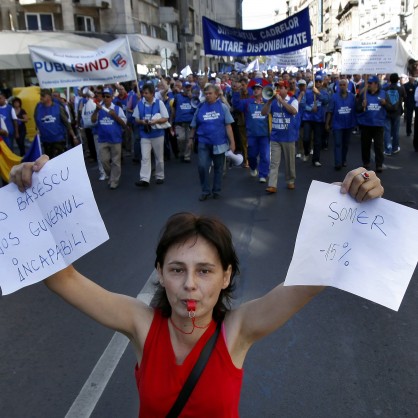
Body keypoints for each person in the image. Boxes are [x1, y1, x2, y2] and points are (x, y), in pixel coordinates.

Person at [9, 156, 383, 417]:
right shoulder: (140, 324)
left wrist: (351, 194)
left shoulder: (238, 330)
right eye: (176, 269)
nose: (189, 285)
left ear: (226, 276)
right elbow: (62, 277)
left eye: (204, 271)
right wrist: (33, 195)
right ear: (158, 271)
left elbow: (311, 280)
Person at [189, 83, 236, 201]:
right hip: (203, 142)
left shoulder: (223, 107)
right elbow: (194, 124)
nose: (208, 96)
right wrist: (190, 139)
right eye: (206, 94)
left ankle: (216, 190)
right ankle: (205, 191)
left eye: (210, 93)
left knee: (219, 168)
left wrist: (232, 142)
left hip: (219, 143)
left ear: (216, 95)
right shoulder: (200, 107)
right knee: (202, 166)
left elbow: (228, 126)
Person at [261, 80, 298, 193]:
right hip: (275, 136)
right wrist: (269, 102)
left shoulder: (293, 100)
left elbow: (294, 111)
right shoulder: (273, 102)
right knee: (274, 162)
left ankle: (290, 180)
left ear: (286, 90)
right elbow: (263, 113)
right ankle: (272, 184)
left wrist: (282, 101)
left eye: (281, 87)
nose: (278, 89)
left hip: (288, 137)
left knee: (289, 161)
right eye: (277, 87)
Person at [232, 83, 270, 183]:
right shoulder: (248, 102)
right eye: (254, 89)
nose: (256, 90)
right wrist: (236, 92)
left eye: (258, 88)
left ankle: (263, 174)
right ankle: (253, 167)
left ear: (262, 91)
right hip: (252, 135)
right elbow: (236, 104)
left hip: (264, 135)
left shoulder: (267, 102)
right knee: (251, 156)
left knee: (265, 156)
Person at [133, 83, 169, 187]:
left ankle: (160, 176)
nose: (144, 95)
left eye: (146, 93)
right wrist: (142, 122)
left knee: (159, 157)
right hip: (145, 134)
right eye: (143, 93)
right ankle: (144, 178)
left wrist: (155, 121)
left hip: (157, 134)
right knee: (145, 157)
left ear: (152, 93)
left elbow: (165, 118)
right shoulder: (140, 104)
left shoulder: (159, 103)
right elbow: (136, 119)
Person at [91, 86, 127, 190]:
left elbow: (124, 124)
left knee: (116, 161)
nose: (105, 98)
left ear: (111, 97)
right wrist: (96, 111)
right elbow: (93, 121)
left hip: (115, 139)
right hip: (103, 139)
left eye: (108, 96)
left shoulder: (117, 108)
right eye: (104, 96)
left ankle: (114, 181)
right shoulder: (99, 108)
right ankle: (111, 176)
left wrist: (115, 116)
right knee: (104, 161)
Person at [355, 76, 389, 173]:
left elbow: (391, 108)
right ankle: (366, 162)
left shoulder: (383, 94)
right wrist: (362, 106)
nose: (368, 85)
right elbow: (357, 108)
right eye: (368, 83)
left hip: (378, 124)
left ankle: (379, 164)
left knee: (378, 145)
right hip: (366, 124)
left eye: (370, 83)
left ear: (376, 84)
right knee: (365, 145)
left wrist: (385, 103)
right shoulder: (364, 94)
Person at [34, 89, 77, 159]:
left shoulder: (58, 107)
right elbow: (36, 119)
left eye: (43, 96)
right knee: (48, 161)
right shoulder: (38, 107)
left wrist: (74, 136)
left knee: (59, 160)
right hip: (46, 141)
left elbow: (66, 122)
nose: (40, 97)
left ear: (48, 97)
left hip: (58, 140)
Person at [325, 78, 357, 170]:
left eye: (344, 85)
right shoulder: (334, 97)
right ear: (338, 86)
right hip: (337, 124)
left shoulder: (352, 97)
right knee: (338, 143)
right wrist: (327, 123)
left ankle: (343, 160)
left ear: (347, 86)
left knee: (346, 144)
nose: (342, 86)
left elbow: (355, 110)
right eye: (341, 85)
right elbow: (330, 111)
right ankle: (338, 163)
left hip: (349, 124)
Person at [383, 73, 406, 155]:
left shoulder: (385, 88)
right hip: (397, 112)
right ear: (397, 80)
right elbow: (404, 98)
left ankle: (387, 149)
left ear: (390, 79)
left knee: (387, 131)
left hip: (387, 112)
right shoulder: (401, 89)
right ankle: (395, 148)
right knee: (396, 131)